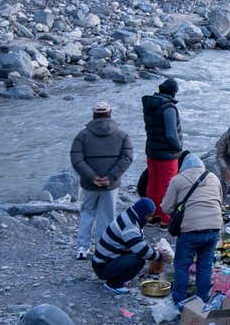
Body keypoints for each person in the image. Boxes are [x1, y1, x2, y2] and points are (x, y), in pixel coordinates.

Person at [70, 101, 133, 260]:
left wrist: (93, 177)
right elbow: (127, 158)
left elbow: (77, 160)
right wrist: (110, 177)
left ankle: (82, 249)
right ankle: (102, 248)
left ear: (93, 115)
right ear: (109, 114)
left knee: (87, 214)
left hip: (89, 184)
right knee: (107, 216)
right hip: (111, 185)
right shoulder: (122, 135)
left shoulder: (82, 135)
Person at [161, 153, 223, 309]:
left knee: (182, 265)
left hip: (190, 230)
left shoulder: (178, 179)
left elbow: (166, 207)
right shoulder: (214, 177)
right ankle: (202, 298)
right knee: (205, 265)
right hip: (214, 228)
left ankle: (179, 300)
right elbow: (219, 201)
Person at [92, 198, 164, 294]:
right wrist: (160, 256)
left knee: (139, 254)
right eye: (149, 216)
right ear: (142, 214)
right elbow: (142, 251)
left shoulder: (129, 215)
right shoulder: (130, 226)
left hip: (102, 261)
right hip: (102, 267)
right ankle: (114, 284)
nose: (150, 219)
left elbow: (137, 243)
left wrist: (154, 250)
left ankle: (116, 274)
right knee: (138, 260)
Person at [141, 78, 183, 224]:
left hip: (152, 151)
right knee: (166, 186)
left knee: (152, 183)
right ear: (173, 92)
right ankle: (165, 220)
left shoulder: (150, 105)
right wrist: (178, 147)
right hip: (167, 155)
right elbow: (171, 134)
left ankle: (152, 216)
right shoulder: (168, 108)